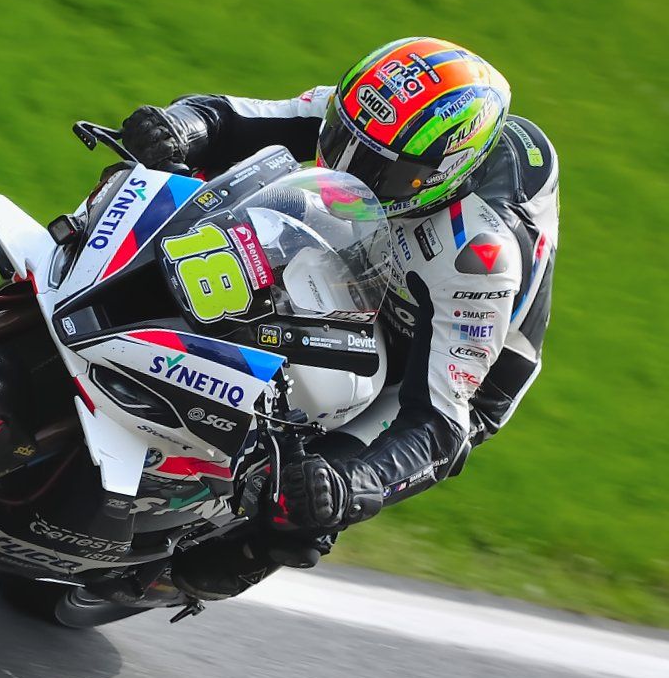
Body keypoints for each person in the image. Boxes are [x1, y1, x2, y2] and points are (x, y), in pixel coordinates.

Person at [117, 38, 559, 601]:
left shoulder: (480, 256)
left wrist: (350, 483)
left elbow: (439, 424)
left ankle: (235, 556)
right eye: (341, 142)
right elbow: (244, 119)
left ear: (446, 173)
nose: (349, 169)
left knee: (306, 496)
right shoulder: (379, 120)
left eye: (378, 170)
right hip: (372, 255)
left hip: (444, 357)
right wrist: (181, 126)